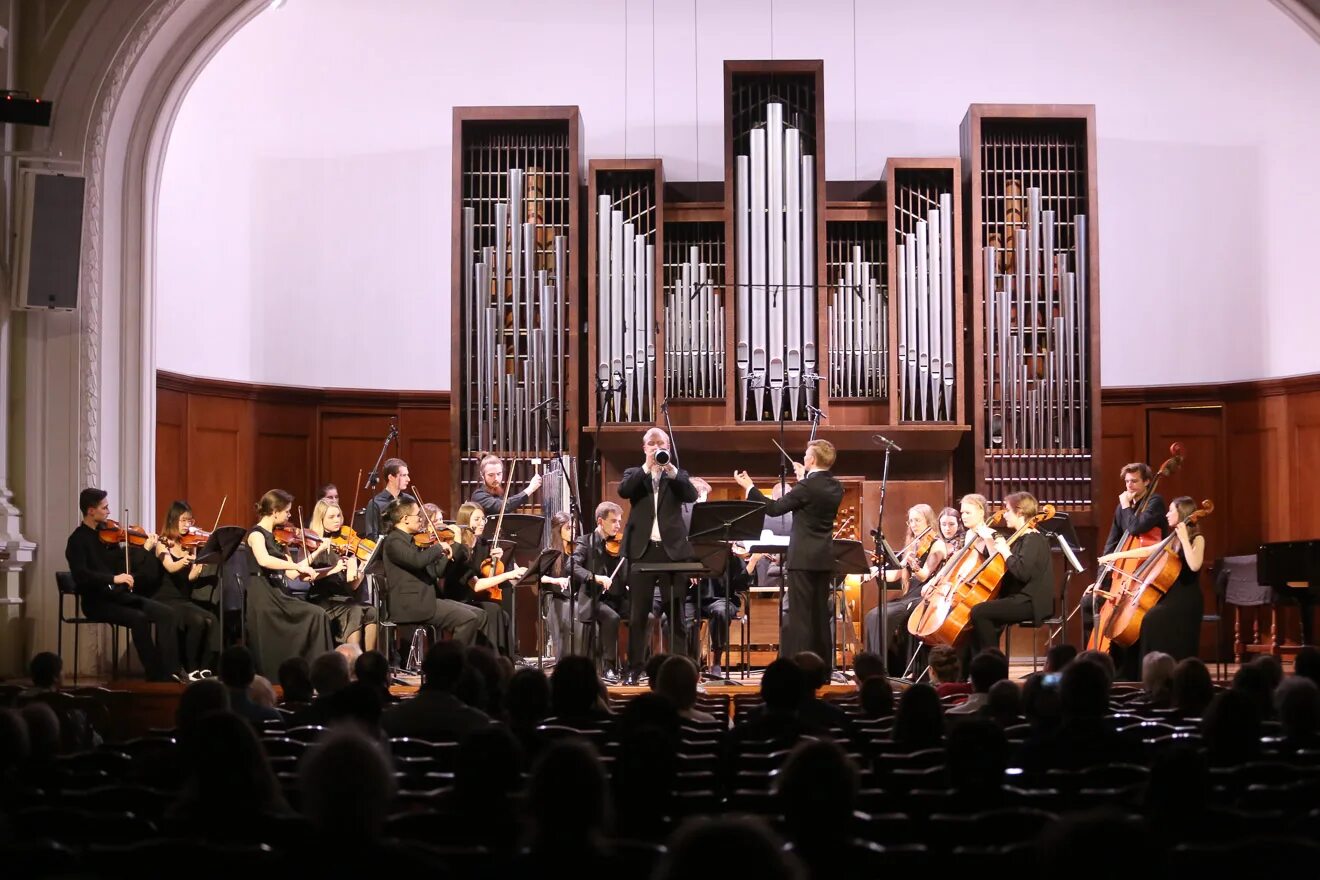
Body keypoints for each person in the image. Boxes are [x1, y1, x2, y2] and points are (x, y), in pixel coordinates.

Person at [735, 439, 844, 669]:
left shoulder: (805, 487)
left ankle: (801, 667)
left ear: (812, 459)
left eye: (806, 455)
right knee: (820, 615)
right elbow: (813, 498)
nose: (803, 457)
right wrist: (804, 478)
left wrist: (750, 488)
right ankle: (823, 668)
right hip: (824, 558)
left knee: (801, 616)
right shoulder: (836, 486)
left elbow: (774, 509)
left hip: (802, 559)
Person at [64, 487, 182, 682]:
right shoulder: (77, 540)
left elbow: (122, 561)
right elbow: (81, 575)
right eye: (105, 507)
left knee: (167, 613)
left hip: (118, 596)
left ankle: (172, 671)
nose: (109, 512)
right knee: (138, 618)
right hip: (96, 602)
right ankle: (156, 674)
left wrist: (144, 549)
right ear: (91, 510)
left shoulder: (108, 537)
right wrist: (113, 579)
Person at [619, 428, 699, 684]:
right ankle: (635, 668)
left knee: (675, 614)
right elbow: (624, 491)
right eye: (651, 444)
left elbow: (691, 495)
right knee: (639, 614)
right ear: (644, 448)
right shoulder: (634, 473)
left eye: (660, 443)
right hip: (642, 551)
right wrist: (647, 466)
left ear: (668, 446)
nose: (655, 447)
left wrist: (672, 471)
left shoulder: (678, 475)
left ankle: (680, 669)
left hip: (672, 552)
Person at [1097, 495, 1205, 671]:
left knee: (1150, 620)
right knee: (1141, 620)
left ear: (1182, 513)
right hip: (1170, 595)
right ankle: (1131, 672)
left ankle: (1154, 670)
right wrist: (1113, 557)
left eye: (1171, 511)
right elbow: (1148, 550)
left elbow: (1194, 565)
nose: (1167, 515)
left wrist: (1185, 538)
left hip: (1187, 599)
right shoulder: (1172, 538)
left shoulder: (1197, 539)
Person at [243, 490, 335, 676]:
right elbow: (264, 560)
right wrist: (298, 567)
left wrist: (317, 551)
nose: (289, 515)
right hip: (262, 594)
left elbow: (292, 572)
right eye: (287, 511)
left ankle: (317, 671)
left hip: (279, 590)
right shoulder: (256, 534)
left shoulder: (280, 536)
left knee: (318, 614)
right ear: (275, 511)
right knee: (314, 614)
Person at [380, 496, 483, 645]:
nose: (421, 519)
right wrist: (439, 547)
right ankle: (452, 663)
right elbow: (417, 561)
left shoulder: (413, 540)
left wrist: (450, 550)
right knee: (468, 619)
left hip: (426, 599)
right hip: (411, 604)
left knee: (479, 615)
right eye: (418, 515)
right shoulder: (394, 541)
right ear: (405, 519)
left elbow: (436, 572)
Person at [1084, 462, 1168, 648]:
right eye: (1127, 481)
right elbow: (1111, 544)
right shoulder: (1122, 508)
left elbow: (1136, 528)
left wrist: (1125, 506)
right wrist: (1100, 580)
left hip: (1145, 578)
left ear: (1147, 481)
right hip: (1122, 577)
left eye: (1134, 481)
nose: (1129, 486)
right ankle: (1092, 653)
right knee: (1089, 602)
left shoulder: (1155, 502)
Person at [963, 491, 1053, 661]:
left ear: (1020, 513)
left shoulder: (1033, 539)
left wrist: (1005, 551)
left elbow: (1022, 572)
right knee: (976, 612)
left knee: (980, 612)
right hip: (1018, 597)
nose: (1005, 514)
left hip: (1030, 601)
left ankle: (993, 667)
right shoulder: (1020, 538)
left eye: (1008, 510)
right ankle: (976, 670)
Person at [864, 503, 949, 671]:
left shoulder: (937, 544)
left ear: (928, 521)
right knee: (872, 615)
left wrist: (914, 566)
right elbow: (896, 575)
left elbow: (924, 575)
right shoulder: (913, 544)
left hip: (924, 596)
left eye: (917, 520)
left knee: (883, 615)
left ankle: (881, 668)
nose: (914, 525)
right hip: (909, 595)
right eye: (911, 521)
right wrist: (873, 571)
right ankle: (875, 666)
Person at [141, 500, 218, 677]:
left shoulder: (189, 543)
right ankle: (190, 667)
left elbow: (189, 578)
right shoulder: (163, 543)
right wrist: (183, 560)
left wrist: (198, 566)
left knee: (212, 619)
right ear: (173, 520)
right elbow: (170, 567)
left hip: (182, 598)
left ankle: (204, 667)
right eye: (183, 520)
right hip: (165, 598)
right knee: (197, 621)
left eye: (189, 521)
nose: (187, 525)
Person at [441, 502, 526, 656]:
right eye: (476, 519)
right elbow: (476, 585)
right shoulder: (459, 548)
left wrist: (494, 562)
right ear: (466, 522)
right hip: (459, 598)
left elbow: (490, 577)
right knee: (492, 611)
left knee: (500, 613)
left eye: (483, 519)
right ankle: (487, 658)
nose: (481, 523)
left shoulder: (483, 544)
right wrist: (508, 574)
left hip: (476, 598)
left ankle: (502, 660)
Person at [306, 499, 379, 651]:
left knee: (372, 611)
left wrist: (360, 568)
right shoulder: (312, 543)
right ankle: (351, 662)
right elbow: (307, 577)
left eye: (339, 516)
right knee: (355, 610)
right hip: (322, 597)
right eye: (331, 517)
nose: (337, 520)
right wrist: (335, 567)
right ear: (320, 519)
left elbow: (352, 586)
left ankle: (369, 660)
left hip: (343, 596)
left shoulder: (345, 544)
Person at [569, 502, 630, 681]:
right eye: (613, 521)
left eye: (619, 521)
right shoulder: (585, 541)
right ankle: (609, 667)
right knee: (612, 618)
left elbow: (625, 572)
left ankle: (635, 664)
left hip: (617, 598)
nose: (618, 526)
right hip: (593, 599)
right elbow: (571, 566)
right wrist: (595, 577)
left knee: (646, 616)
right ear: (600, 521)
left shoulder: (620, 543)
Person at [469, 453, 542, 518]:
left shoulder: (498, 493)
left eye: (499, 474)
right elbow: (503, 507)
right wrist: (530, 489)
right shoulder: (478, 495)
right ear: (482, 475)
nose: (496, 478)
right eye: (491, 475)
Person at [364, 458, 412, 539]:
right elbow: (372, 535)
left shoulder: (409, 500)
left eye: (407, 475)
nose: (408, 479)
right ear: (391, 477)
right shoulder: (375, 503)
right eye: (404, 475)